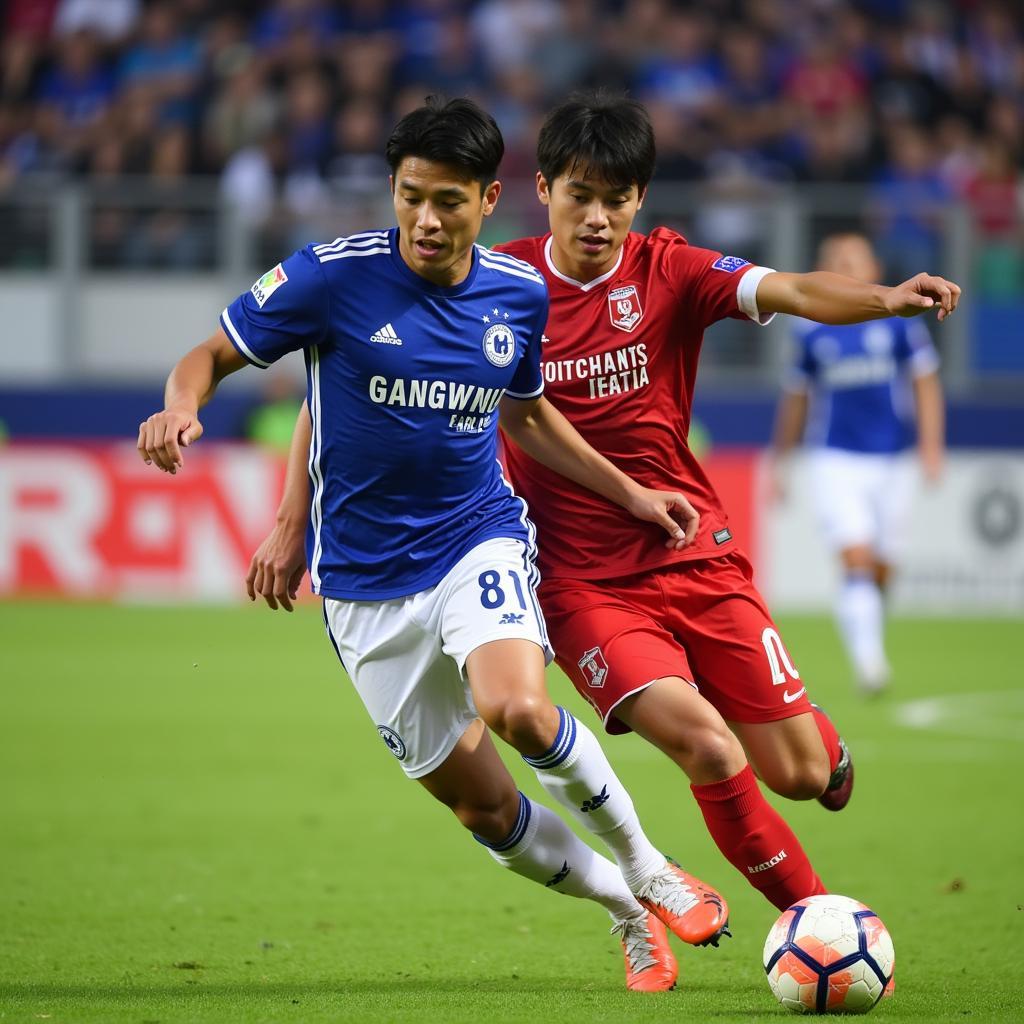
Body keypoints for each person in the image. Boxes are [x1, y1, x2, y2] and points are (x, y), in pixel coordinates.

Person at [256, 93, 959, 921]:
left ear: (639, 200)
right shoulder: (494, 280)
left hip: (693, 549)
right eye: (579, 195)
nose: (596, 217)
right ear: (542, 188)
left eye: (616, 199)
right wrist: (294, 510)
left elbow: (796, 288)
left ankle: (822, 752)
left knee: (802, 773)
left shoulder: (672, 269)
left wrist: (883, 299)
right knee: (704, 743)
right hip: (579, 582)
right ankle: (817, 923)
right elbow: (333, 390)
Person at [136, 96, 731, 994]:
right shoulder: (329, 278)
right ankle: (624, 909)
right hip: (364, 587)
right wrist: (185, 412)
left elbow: (528, 414)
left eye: (448, 200)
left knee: (520, 711)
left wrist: (632, 493)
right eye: (410, 195)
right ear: (393, 189)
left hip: (473, 541)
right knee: (484, 808)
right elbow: (210, 357)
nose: (425, 218)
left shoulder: (516, 292)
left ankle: (648, 862)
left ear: (489, 200)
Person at [769, 232, 945, 693]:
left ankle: (867, 630)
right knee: (857, 558)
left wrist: (931, 446)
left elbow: (925, 384)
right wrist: (780, 463)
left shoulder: (901, 325)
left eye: (854, 259)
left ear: (873, 268)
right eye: (835, 260)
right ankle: (870, 665)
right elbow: (796, 401)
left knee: (883, 567)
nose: (845, 267)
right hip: (834, 458)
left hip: (894, 458)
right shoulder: (810, 329)